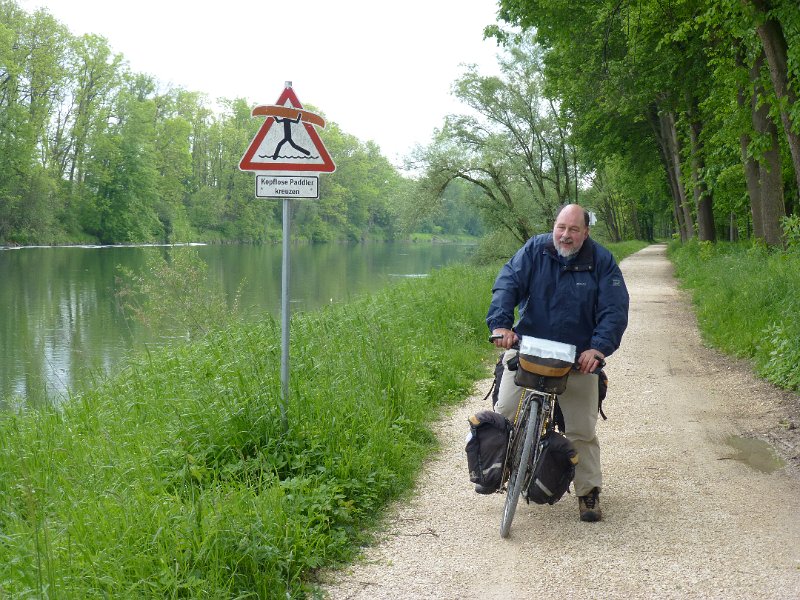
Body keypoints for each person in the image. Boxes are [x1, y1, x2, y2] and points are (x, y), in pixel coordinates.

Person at [486, 203, 629, 522]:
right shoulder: (535, 250)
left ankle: (588, 492)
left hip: (578, 358)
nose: (566, 235)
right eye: (561, 228)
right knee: (504, 411)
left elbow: (614, 310)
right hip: (528, 348)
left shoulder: (601, 261)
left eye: (574, 229)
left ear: (586, 232)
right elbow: (507, 282)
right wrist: (500, 325)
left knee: (581, 430)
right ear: (554, 227)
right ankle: (502, 467)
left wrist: (598, 349)